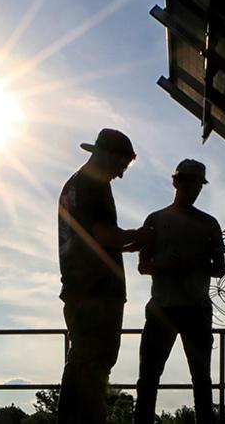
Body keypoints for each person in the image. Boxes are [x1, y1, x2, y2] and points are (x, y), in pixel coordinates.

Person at [57, 128, 152, 424]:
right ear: (108, 155)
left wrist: (128, 242)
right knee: (95, 366)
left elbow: (96, 240)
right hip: (96, 293)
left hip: (81, 289)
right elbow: (105, 235)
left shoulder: (77, 184)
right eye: (121, 165)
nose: (121, 174)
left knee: (81, 364)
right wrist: (140, 235)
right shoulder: (92, 186)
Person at [134, 159, 225, 424]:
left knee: (201, 381)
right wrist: (164, 265)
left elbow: (219, 269)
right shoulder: (156, 220)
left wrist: (191, 263)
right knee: (149, 379)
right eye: (189, 183)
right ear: (176, 182)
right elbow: (143, 266)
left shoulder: (209, 224)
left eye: (198, 185)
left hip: (194, 309)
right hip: (164, 308)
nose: (194, 189)